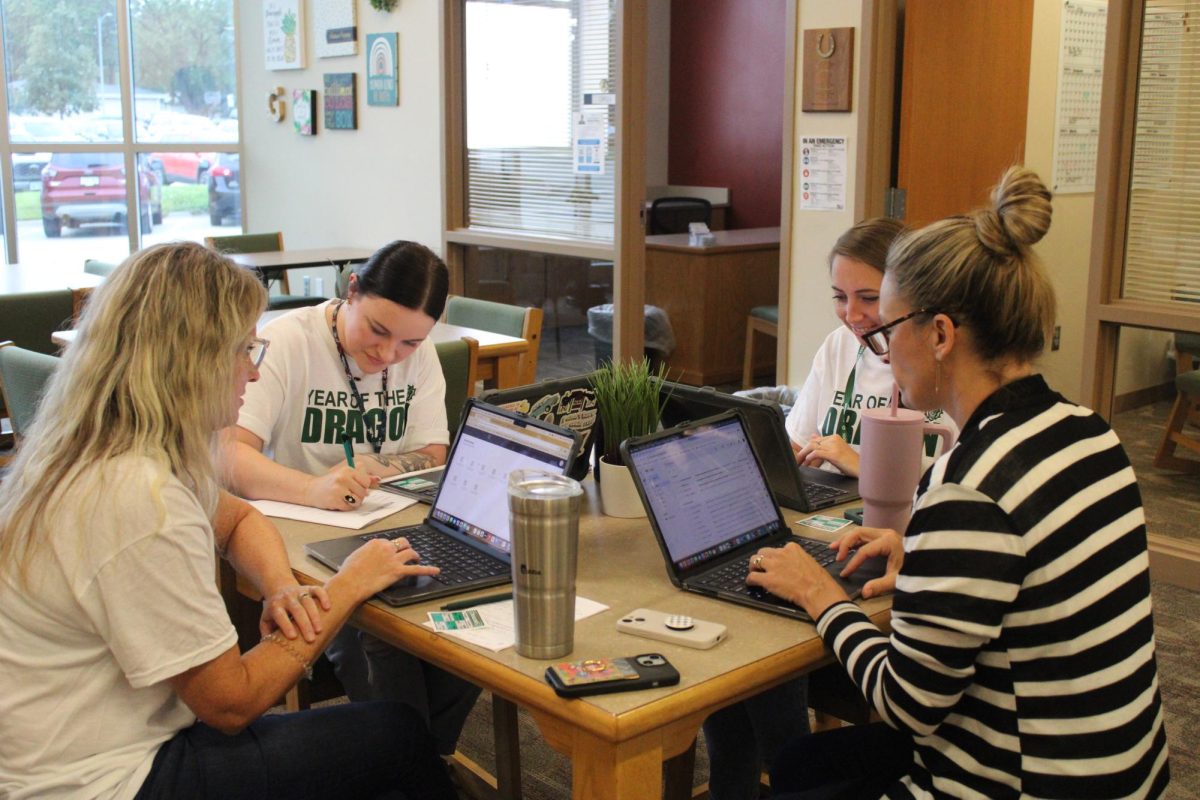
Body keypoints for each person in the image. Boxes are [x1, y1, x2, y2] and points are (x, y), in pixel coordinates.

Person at [748, 167, 1171, 798]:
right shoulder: (1089, 433)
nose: (883, 350)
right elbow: (1027, 574)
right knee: (804, 767)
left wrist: (821, 597)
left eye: (888, 330)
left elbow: (906, 703)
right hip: (1121, 773)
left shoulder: (968, 490)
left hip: (1024, 781)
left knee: (806, 771)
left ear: (941, 334)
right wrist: (919, 554)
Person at [0, 242, 456, 799]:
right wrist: (346, 588)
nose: (253, 373)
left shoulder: (106, 450)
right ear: (190, 360)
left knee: (385, 733)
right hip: (103, 779)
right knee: (397, 735)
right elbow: (231, 703)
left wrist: (282, 588)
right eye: (244, 351)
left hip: (81, 746)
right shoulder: (138, 500)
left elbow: (237, 519)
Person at [228, 239, 480, 756]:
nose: (387, 354)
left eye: (408, 343)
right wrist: (312, 488)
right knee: (376, 630)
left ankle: (416, 763)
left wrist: (384, 467)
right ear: (351, 291)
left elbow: (434, 450)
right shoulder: (287, 343)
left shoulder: (420, 353)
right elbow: (229, 457)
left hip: (399, 527)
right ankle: (416, 763)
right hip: (304, 541)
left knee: (481, 606)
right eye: (377, 331)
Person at [785, 217, 958, 476]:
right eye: (840, 297)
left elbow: (959, 489)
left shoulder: (954, 363)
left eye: (869, 298)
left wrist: (865, 468)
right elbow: (795, 447)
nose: (852, 316)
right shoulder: (838, 344)